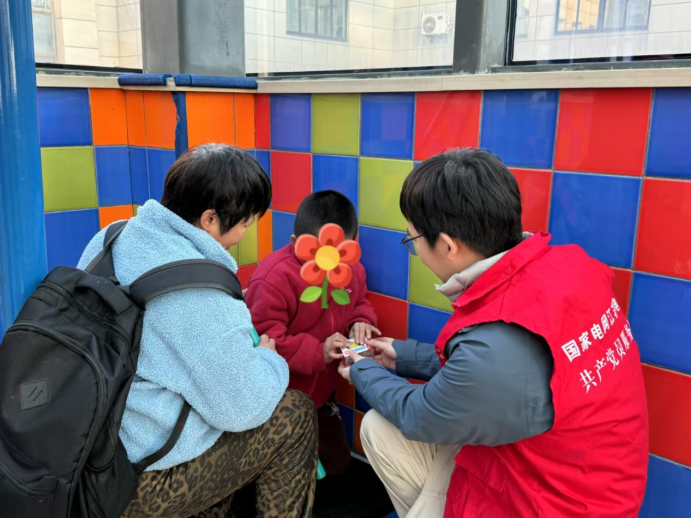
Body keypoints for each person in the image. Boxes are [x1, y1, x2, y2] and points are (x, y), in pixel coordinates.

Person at [338, 148, 649, 518]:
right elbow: (511, 379)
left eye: (413, 240)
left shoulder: (495, 340)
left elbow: (420, 415)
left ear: (448, 246)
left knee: (395, 427)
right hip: (581, 474)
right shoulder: (571, 268)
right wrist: (404, 356)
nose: (415, 248)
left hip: (556, 504)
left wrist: (360, 368)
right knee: (379, 427)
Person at [77, 144, 318, 518]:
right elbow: (244, 407)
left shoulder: (112, 237)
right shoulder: (198, 291)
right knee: (295, 415)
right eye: (245, 223)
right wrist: (269, 360)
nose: (245, 232)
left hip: (86, 456)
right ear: (209, 219)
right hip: (138, 485)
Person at [246, 191, 379, 475]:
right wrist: (318, 352)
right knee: (286, 473)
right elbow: (264, 340)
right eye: (317, 255)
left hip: (323, 395)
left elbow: (360, 301)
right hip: (280, 399)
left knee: (337, 466)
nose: (328, 265)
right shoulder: (274, 277)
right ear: (295, 242)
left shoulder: (353, 270)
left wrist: (361, 320)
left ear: (352, 246)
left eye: (338, 256)